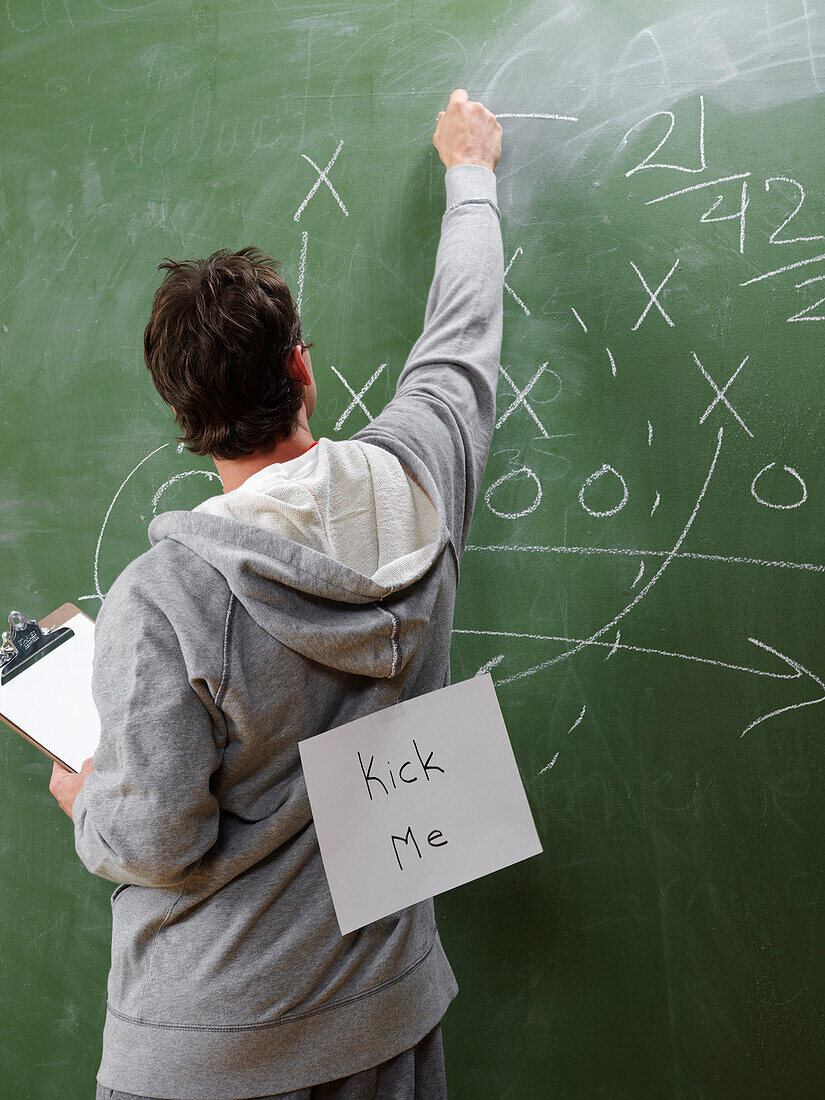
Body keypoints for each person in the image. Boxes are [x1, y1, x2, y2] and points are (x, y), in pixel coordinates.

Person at [49, 87, 504, 1100]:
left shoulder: (162, 600)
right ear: (301, 366)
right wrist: (469, 175)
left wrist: (89, 804)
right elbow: (463, 337)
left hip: (209, 1046)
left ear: (182, 416)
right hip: (385, 1019)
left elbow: (156, 839)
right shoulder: (422, 480)